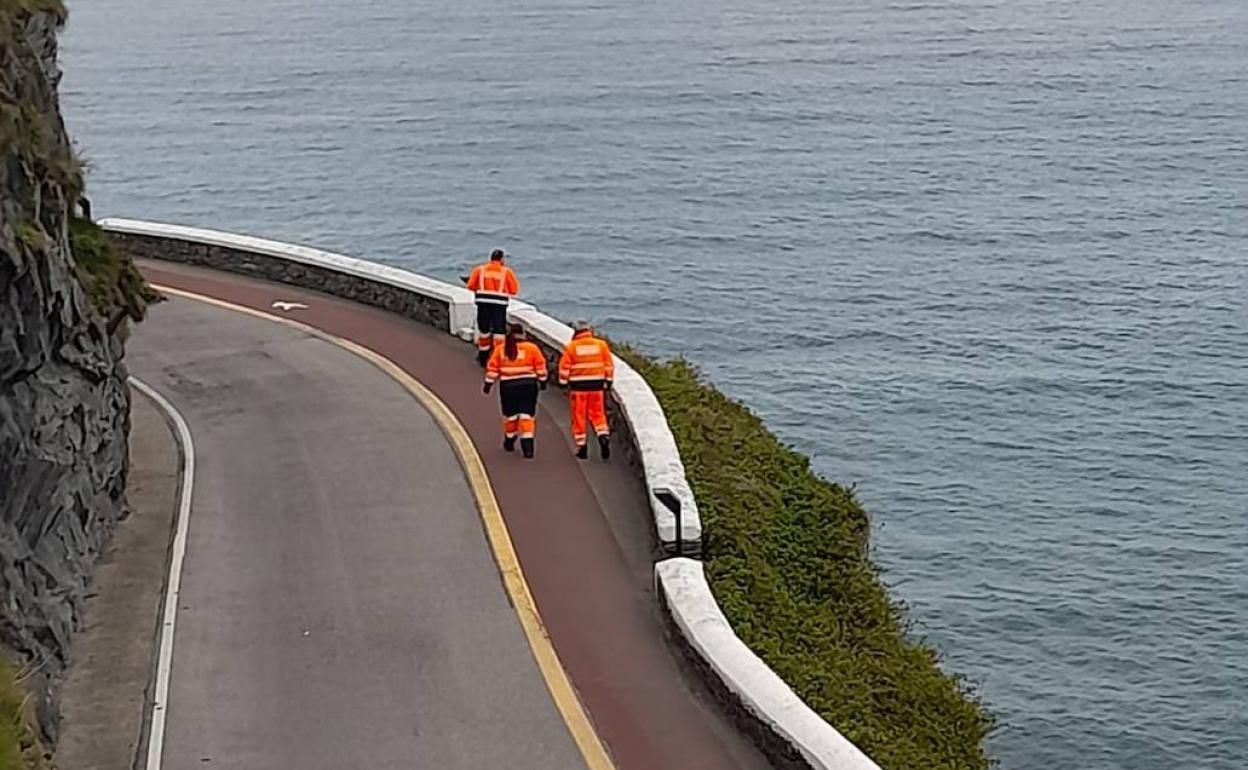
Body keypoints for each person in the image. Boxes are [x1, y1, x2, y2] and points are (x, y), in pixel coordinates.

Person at [483, 323, 548, 458]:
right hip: (528, 385)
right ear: (523, 335)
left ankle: (509, 439)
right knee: (527, 415)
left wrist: (488, 384)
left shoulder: (502, 349)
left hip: (508, 387)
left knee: (510, 416)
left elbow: (493, 368)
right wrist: (542, 381)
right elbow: (540, 366)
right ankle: (528, 445)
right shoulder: (532, 348)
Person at [558, 321, 614, 460]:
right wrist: (608, 381)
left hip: (578, 387)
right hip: (597, 386)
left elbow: (564, 368)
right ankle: (603, 435)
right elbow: (608, 365)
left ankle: (582, 447)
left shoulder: (572, 347)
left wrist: (563, 383)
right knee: (598, 414)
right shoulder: (601, 345)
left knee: (579, 416)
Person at [465, 249, 520, 366]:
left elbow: (470, 286)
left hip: (483, 303)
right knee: (499, 332)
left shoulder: (480, 270)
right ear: (502, 259)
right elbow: (514, 290)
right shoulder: (507, 272)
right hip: (499, 305)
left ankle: (483, 357)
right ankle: (498, 357)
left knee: (484, 330)